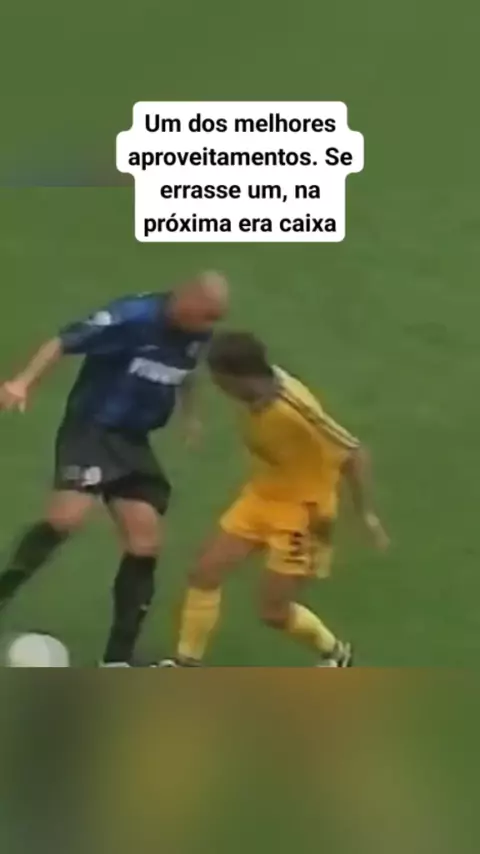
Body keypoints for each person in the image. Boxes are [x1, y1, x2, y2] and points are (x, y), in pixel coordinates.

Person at [0, 272, 228, 666]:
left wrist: (191, 415)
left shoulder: (196, 332)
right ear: (187, 300)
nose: (210, 326)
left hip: (132, 442)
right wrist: (21, 383)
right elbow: (62, 341)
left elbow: (187, 371)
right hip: (92, 429)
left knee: (145, 544)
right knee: (66, 520)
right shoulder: (131, 317)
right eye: (207, 316)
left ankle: (118, 658)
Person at [161, 331, 389, 667]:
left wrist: (366, 515)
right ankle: (186, 663)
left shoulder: (295, 409)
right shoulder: (255, 390)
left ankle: (336, 654)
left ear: (238, 377)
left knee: (273, 611)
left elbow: (354, 454)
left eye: (220, 380)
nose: (218, 387)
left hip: (303, 514)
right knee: (204, 574)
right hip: (261, 498)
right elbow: (192, 364)